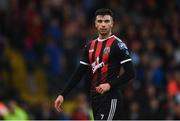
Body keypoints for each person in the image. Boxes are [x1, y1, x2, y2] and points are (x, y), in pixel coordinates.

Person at [54, 8, 135, 120]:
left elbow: (130, 73)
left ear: (112, 24)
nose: (103, 24)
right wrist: (63, 94)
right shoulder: (89, 47)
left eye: (106, 21)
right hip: (95, 98)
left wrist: (109, 85)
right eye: (100, 21)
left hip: (111, 97)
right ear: (95, 24)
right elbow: (78, 74)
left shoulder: (118, 45)